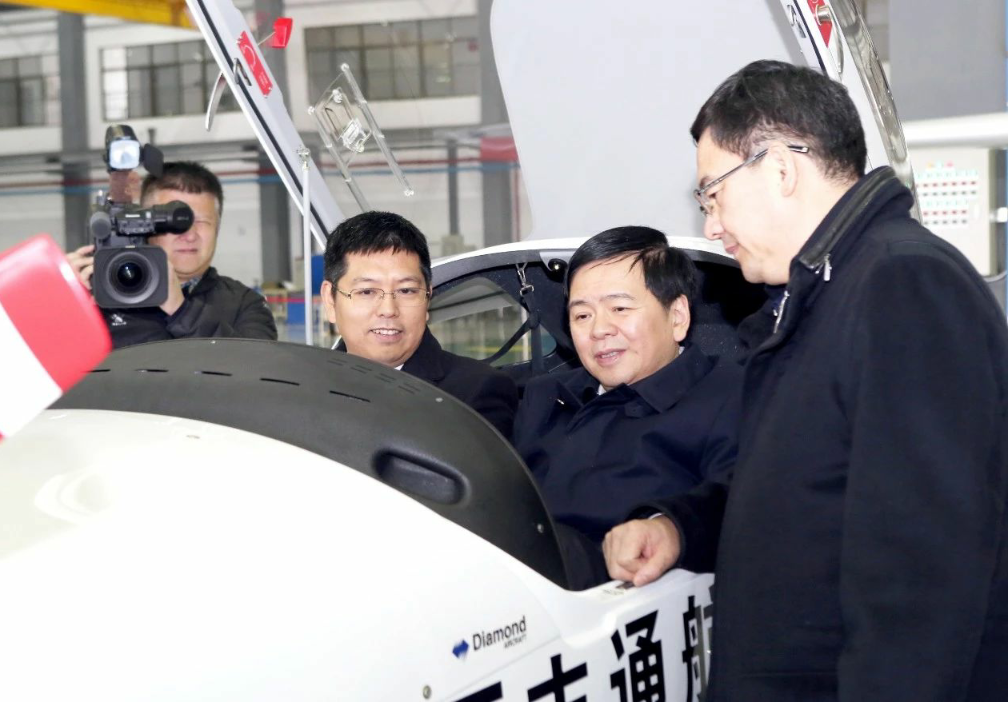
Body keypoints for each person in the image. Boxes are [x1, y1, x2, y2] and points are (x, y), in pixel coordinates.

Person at [603, 60, 1008, 701]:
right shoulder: (825, 294)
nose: (711, 225)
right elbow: (800, 486)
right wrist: (680, 527)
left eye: (713, 193)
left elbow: (922, 566)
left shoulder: (902, 283)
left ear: (780, 169)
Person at [513, 226, 740, 588]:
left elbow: (745, 501)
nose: (599, 329)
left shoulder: (733, 394)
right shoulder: (545, 396)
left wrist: (670, 528)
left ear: (677, 316)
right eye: (582, 316)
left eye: (619, 308)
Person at [322, 211, 517, 439]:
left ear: (427, 298)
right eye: (366, 291)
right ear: (330, 301)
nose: (388, 309)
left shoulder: (474, 393)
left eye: (406, 291)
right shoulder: (305, 387)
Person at [67, 161, 277, 348]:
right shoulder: (99, 299)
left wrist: (182, 310)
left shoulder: (245, 304)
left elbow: (257, 369)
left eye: (202, 222)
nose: (189, 235)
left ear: (218, 228)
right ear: (142, 225)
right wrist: (59, 300)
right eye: (174, 222)